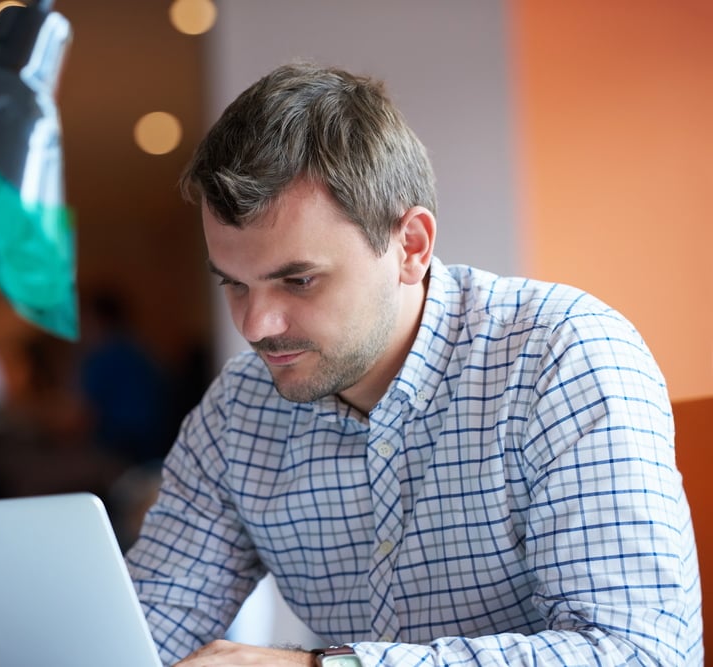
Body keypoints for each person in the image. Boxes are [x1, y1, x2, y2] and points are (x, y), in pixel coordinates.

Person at [123, 62, 703, 666]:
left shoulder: (562, 355)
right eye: (235, 285)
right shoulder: (237, 415)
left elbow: (641, 655)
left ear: (411, 247)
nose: (254, 326)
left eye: (298, 280)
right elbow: (146, 636)